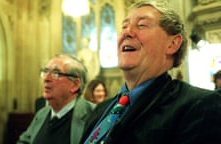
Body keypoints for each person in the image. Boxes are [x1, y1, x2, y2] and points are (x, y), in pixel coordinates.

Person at [80, 0, 221, 144]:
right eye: (124, 26)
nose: (127, 32)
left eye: (141, 25)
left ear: (172, 44)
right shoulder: (100, 110)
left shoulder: (199, 106)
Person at [17, 54, 95, 144]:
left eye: (56, 73)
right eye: (45, 72)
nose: (46, 78)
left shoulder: (92, 115)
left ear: (75, 85)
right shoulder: (42, 114)